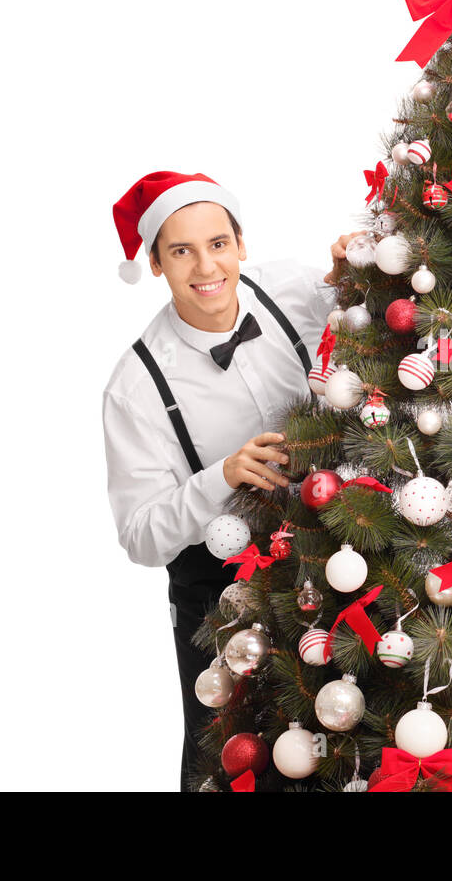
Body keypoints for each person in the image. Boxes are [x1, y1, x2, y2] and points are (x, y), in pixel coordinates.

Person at [101, 170, 353, 791]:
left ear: (241, 244)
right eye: (180, 250)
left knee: (339, 746)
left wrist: (358, 266)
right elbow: (139, 537)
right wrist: (221, 477)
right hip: (220, 594)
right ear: (157, 265)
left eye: (217, 243)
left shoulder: (287, 289)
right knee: (227, 762)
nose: (205, 266)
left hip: (330, 559)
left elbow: (365, 305)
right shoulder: (135, 386)